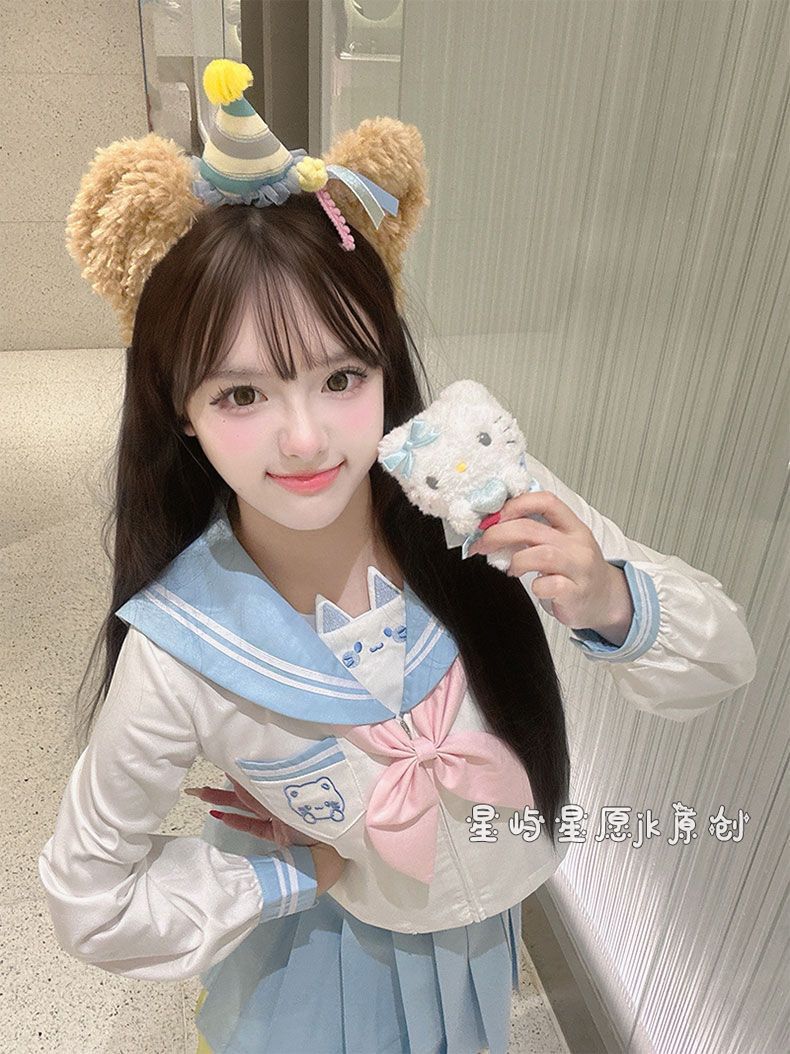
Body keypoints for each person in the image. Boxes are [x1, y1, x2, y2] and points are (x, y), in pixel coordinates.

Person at [37, 59, 757, 1054]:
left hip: (478, 940)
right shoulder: (184, 643)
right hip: (319, 957)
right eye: (241, 394)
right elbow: (88, 899)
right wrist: (291, 873)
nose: (305, 440)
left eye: (342, 377)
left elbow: (724, 660)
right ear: (182, 411)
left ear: (387, 366)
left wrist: (609, 599)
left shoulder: (477, 500)